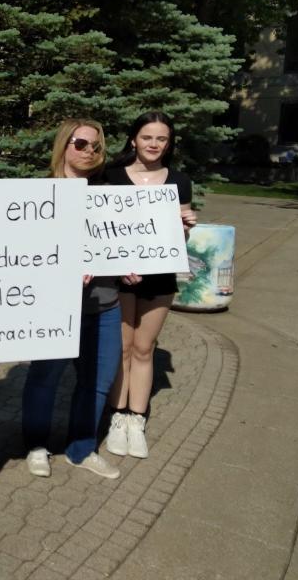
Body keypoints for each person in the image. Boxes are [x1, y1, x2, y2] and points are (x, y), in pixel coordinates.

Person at [21, 119, 128, 481]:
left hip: (105, 303)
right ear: (64, 145)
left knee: (97, 380)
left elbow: (125, 243)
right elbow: (23, 255)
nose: (89, 152)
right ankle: (36, 445)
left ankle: (81, 448)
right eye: (81, 144)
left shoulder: (112, 195)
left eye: (96, 146)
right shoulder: (42, 194)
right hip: (55, 307)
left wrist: (131, 263)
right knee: (44, 378)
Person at [103, 111, 196, 459]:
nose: (154, 144)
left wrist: (187, 226)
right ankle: (117, 416)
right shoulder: (111, 177)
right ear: (133, 140)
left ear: (168, 144)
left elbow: (180, 236)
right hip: (121, 277)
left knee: (145, 348)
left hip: (160, 277)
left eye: (161, 139)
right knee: (123, 349)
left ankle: (136, 419)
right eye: (147, 137)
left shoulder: (179, 181)